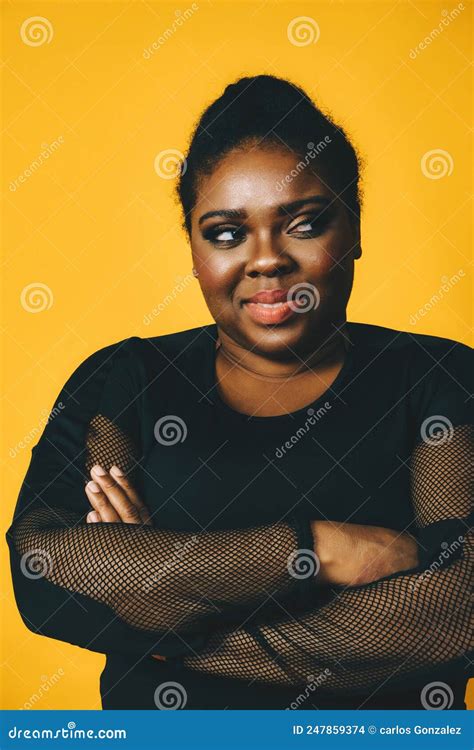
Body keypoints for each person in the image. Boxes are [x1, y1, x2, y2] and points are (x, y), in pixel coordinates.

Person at [6, 75, 473, 711]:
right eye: (227, 232)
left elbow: (457, 610)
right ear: (194, 250)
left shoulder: (436, 378)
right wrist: (317, 550)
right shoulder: (129, 379)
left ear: (356, 229)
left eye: (304, 224)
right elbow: (44, 569)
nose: (265, 260)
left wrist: (164, 602)